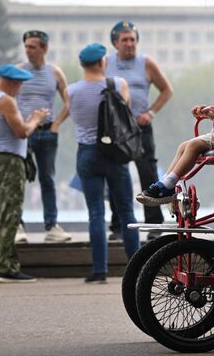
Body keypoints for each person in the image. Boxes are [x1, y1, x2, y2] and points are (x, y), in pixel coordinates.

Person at [136, 41, 214, 205]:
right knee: (184, 146)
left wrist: (211, 114)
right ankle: (165, 184)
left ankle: (167, 186)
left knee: (194, 145)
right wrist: (209, 110)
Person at [67, 43, 139, 283]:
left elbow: (73, 115)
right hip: (115, 153)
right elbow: (125, 115)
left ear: (82, 64)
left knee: (95, 212)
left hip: (87, 154)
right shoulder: (118, 84)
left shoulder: (71, 91)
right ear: (102, 63)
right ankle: (137, 268)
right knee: (126, 210)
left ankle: (100, 271)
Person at [0, 64, 49, 283]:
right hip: (9, 162)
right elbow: (21, 131)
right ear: (10, 81)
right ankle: (6, 267)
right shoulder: (5, 100)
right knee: (9, 212)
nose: (20, 88)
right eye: (19, 84)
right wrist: (36, 119)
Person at [105, 21, 173, 239]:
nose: (129, 44)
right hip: (116, 129)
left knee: (148, 173)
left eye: (132, 39)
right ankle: (117, 225)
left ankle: (154, 224)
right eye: (124, 40)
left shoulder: (146, 63)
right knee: (116, 175)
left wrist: (150, 113)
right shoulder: (105, 63)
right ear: (115, 42)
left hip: (141, 126)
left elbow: (166, 90)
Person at [15, 29, 72, 243]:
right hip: (24, 132)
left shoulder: (55, 73)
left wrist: (57, 123)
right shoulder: (19, 71)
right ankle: (17, 225)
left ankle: (51, 226)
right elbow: (8, 96)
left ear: (44, 49)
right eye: (26, 47)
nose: (28, 51)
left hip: (47, 132)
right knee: (19, 178)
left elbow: (69, 100)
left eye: (32, 47)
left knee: (47, 179)